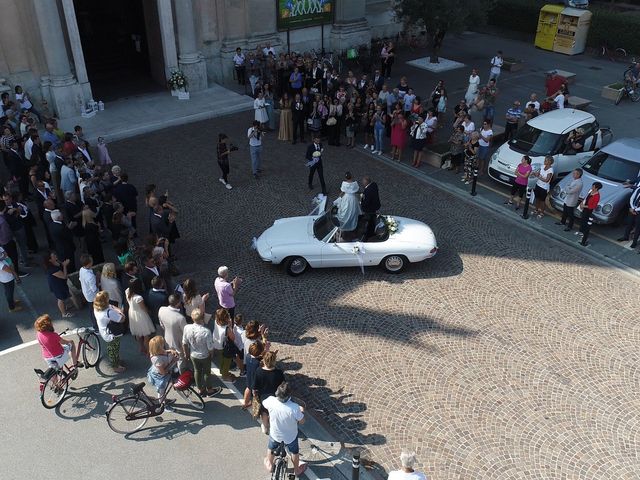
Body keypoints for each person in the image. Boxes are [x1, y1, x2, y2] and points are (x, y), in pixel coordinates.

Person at [262, 382, 307, 477]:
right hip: (290, 436)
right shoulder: (294, 408)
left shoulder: (270, 401)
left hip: (275, 434)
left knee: (271, 448)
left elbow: (264, 404)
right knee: (294, 452)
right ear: (289, 395)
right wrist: (301, 410)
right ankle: (297, 470)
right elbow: (302, 421)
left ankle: (270, 465)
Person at [183, 310, 221, 397]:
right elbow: (210, 348)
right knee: (207, 373)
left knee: (197, 371)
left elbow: (184, 343)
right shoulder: (206, 331)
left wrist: (187, 354)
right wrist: (211, 355)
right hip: (204, 356)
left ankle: (200, 389)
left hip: (193, 355)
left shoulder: (187, 327)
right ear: (202, 318)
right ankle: (210, 390)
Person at [253, 350, 285, 435]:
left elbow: (255, 386)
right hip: (275, 396)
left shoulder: (259, 371)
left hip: (263, 396)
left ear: (264, 360)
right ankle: (273, 425)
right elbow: (283, 386)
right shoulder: (279, 373)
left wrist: (255, 394)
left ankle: (265, 426)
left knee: (264, 412)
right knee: (273, 412)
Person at [93, 291, 126, 373]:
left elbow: (111, 306)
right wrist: (120, 311)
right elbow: (122, 319)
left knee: (113, 349)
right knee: (114, 350)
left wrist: (114, 308)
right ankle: (115, 366)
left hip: (104, 331)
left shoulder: (96, 308)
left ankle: (116, 361)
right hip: (111, 334)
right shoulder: (109, 312)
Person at [126, 278, 156, 355]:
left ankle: (141, 347)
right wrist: (149, 312)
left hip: (132, 313)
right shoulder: (138, 298)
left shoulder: (127, 291)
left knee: (138, 333)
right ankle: (148, 352)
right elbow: (143, 308)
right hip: (140, 315)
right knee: (146, 335)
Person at [147, 336, 178, 409]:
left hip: (162, 371)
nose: (164, 344)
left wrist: (170, 351)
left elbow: (164, 351)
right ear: (158, 347)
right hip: (159, 375)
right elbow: (163, 372)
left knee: (163, 390)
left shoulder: (157, 351)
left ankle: (164, 399)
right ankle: (162, 405)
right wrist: (173, 361)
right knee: (161, 390)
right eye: (162, 344)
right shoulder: (157, 359)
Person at [158, 294, 187, 371]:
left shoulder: (161, 309)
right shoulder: (180, 318)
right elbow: (186, 333)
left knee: (171, 356)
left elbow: (162, 325)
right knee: (180, 359)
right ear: (178, 303)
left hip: (167, 339)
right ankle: (181, 374)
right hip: (179, 342)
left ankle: (172, 370)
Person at [45, 251, 73, 317]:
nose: (55, 256)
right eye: (53, 256)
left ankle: (64, 308)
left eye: (55, 254)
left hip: (59, 283)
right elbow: (64, 276)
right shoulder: (52, 269)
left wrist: (63, 264)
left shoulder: (56, 263)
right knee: (60, 298)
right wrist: (65, 266)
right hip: (56, 285)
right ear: (50, 260)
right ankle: (64, 313)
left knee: (62, 296)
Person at [333, 172, 361, 238]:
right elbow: (356, 191)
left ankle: (345, 224)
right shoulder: (355, 183)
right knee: (353, 211)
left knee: (345, 211)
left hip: (346, 198)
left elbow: (342, 192)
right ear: (351, 176)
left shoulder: (344, 183)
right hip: (353, 198)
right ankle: (352, 224)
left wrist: (339, 198)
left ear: (345, 177)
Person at [213, 308, 236, 382]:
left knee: (221, 360)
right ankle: (225, 376)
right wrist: (230, 326)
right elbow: (232, 338)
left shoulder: (216, 321)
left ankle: (222, 371)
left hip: (216, 344)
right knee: (226, 361)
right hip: (224, 347)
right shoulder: (227, 328)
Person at [617, 182, 640, 249]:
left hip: (638, 211)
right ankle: (625, 237)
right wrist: (632, 208)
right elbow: (632, 198)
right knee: (629, 223)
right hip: (633, 209)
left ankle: (634, 242)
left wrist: (635, 209)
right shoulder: (638, 189)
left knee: (638, 227)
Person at [79, 254, 99, 327]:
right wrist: (97, 278)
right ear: (89, 263)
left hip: (87, 293)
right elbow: (94, 289)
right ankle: (96, 327)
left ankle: (95, 325)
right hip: (92, 296)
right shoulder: (90, 276)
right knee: (95, 311)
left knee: (92, 311)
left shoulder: (82, 269)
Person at [0, 247, 21, 312]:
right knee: (9, 292)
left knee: (8, 291)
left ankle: (12, 301)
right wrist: (16, 276)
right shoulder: (1, 264)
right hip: (7, 279)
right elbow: (9, 270)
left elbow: (4, 253)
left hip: (4, 278)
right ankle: (12, 308)